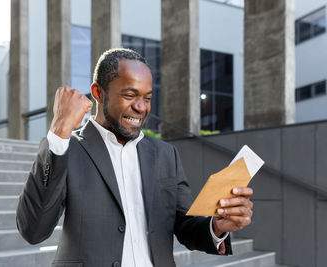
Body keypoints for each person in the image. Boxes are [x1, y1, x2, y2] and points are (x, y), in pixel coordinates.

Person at [16, 48, 254, 267]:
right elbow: (33, 230)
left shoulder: (165, 154)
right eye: (130, 95)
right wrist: (58, 133)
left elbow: (184, 225)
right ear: (98, 92)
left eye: (147, 98)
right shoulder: (67, 149)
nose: (141, 107)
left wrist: (217, 227)